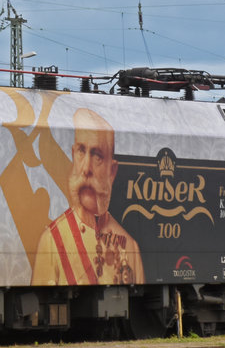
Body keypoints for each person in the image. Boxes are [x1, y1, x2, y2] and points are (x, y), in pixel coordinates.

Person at [31, 107, 144, 285]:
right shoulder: (52, 240)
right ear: (73, 155)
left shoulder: (130, 246)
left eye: (97, 156)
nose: (86, 169)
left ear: (112, 171)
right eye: (81, 152)